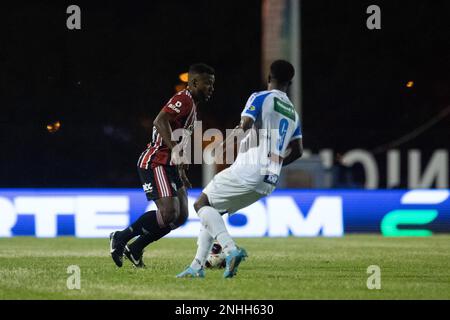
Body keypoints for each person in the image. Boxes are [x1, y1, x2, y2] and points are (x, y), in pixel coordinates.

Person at [177, 60, 303, 278]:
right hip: (269, 180)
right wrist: (276, 163)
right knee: (213, 211)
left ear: (268, 77)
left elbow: (245, 124)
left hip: (249, 169)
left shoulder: (261, 97)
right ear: (290, 82)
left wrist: (224, 145)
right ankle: (197, 266)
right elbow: (298, 151)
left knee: (201, 203)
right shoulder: (293, 114)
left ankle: (230, 250)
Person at [109, 63, 215, 268]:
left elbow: (179, 136)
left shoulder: (193, 104)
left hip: (172, 166)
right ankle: (120, 237)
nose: (211, 88)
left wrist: (182, 169)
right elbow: (160, 121)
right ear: (194, 82)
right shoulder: (183, 99)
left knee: (180, 217)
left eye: (213, 84)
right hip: (156, 161)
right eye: (208, 84)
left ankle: (136, 248)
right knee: (168, 213)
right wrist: (175, 151)